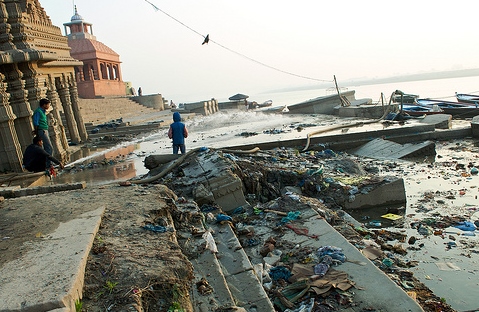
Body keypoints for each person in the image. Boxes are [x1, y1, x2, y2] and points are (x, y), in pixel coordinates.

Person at [32, 98, 54, 168]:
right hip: (42, 130)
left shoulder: (43, 111)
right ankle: (48, 164)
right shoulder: (38, 111)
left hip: (44, 130)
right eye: (48, 104)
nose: (48, 106)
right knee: (49, 147)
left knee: (48, 147)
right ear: (44, 105)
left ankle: (49, 163)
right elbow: (36, 123)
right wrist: (37, 132)